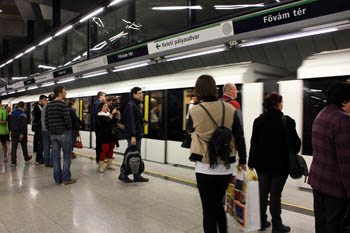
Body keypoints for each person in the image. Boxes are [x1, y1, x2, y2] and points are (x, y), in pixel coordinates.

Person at [187, 75, 247, 233]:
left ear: (198, 90)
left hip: (204, 167)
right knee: (218, 205)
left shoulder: (195, 111)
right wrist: (243, 160)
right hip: (226, 166)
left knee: (208, 209)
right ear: (215, 89)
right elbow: (239, 136)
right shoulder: (231, 109)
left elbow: (190, 129)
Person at [248, 92, 301, 233]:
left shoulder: (258, 121)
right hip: (280, 166)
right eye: (281, 103)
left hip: (262, 166)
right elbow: (296, 146)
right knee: (275, 195)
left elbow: (254, 144)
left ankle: (260, 222)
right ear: (278, 105)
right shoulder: (287, 121)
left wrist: (250, 162)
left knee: (263, 193)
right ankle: (277, 225)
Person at [308, 82, 350, 233]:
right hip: (335, 187)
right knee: (334, 226)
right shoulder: (343, 120)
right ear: (344, 100)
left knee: (321, 223)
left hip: (318, 182)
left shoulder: (320, 115)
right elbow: (347, 163)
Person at [45, 86, 76, 185]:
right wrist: (69, 129)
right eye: (64, 91)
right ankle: (66, 178)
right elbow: (67, 119)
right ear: (60, 93)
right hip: (63, 133)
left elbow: (46, 121)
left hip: (53, 134)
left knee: (55, 157)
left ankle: (57, 179)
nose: (65, 93)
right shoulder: (63, 105)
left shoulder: (48, 105)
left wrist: (51, 130)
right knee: (67, 156)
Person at [118, 87, 149, 183]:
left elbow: (135, 120)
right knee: (131, 155)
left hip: (136, 134)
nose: (141, 95)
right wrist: (133, 136)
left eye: (141, 93)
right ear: (134, 94)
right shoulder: (131, 105)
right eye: (139, 93)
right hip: (134, 135)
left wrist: (142, 121)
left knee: (135, 156)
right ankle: (123, 174)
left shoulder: (135, 105)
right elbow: (130, 122)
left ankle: (136, 175)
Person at [96, 102, 118, 173]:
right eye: (105, 106)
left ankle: (109, 164)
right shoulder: (99, 115)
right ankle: (101, 166)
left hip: (112, 135)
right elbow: (106, 123)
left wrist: (116, 115)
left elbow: (114, 122)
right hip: (104, 135)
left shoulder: (108, 114)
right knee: (104, 150)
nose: (107, 107)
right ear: (101, 108)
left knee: (111, 149)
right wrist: (111, 114)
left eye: (107, 106)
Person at [10, 101, 32, 166]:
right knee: (24, 146)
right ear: (23, 106)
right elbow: (24, 125)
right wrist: (22, 133)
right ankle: (26, 157)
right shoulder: (23, 114)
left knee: (14, 147)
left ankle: (13, 162)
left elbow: (10, 123)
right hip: (21, 133)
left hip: (13, 132)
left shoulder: (12, 113)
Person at [32, 95, 47, 165]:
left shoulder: (42, 107)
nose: (45, 101)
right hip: (40, 128)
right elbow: (39, 116)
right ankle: (39, 159)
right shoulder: (36, 107)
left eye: (46, 99)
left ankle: (40, 158)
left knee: (42, 143)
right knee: (41, 143)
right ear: (40, 100)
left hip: (42, 128)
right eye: (44, 99)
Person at [92, 91, 106, 163]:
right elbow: (99, 115)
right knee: (100, 143)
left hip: (97, 126)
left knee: (99, 142)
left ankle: (99, 158)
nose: (105, 97)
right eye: (104, 96)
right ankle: (100, 159)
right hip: (100, 127)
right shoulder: (99, 104)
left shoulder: (95, 103)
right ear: (100, 96)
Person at [41, 94, 54, 167]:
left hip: (43, 129)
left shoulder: (44, 107)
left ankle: (46, 162)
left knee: (46, 146)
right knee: (54, 146)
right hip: (50, 129)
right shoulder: (51, 107)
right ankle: (52, 162)